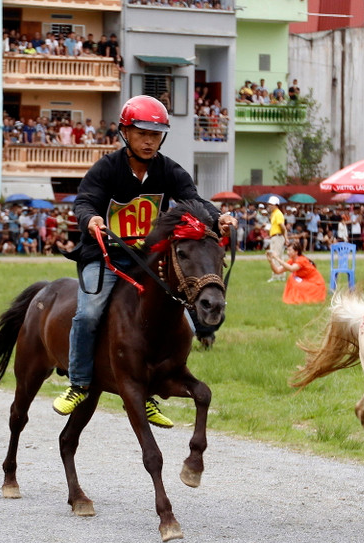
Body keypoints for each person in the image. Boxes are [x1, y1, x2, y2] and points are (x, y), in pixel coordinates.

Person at [52, 95, 237, 428]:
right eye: (142, 133)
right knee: (89, 311)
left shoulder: (168, 170)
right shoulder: (107, 168)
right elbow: (84, 202)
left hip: (148, 259)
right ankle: (78, 383)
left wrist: (219, 217)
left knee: (184, 313)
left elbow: (192, 200)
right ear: (126, 132)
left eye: (155, 134)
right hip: (105, 255)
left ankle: (149, 389)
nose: (149, 141)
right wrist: (91, 219)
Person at [265, 196, 286, 282]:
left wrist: (285, 237)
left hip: (277, 236)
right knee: (279, 256)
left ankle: (276, 275)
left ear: (276, 205)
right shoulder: (274, 214)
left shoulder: (278, 214)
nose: (270, 206)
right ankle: (281, 275)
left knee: (275, 256)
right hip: (275, 236)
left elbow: (282, 227)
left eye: (271, 204)